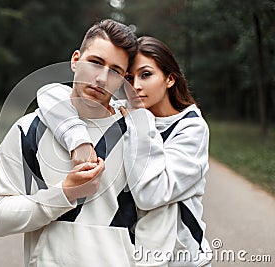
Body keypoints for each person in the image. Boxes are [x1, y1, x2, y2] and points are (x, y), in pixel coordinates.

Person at [36, 36, 212, 266]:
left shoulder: (190, 129)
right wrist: (79, 142)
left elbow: (150, 194)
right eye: (129, 77)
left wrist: (140, 119)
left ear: (169, 79)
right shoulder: (126, 113)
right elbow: (49, 93)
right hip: (134, 256)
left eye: (146, 75)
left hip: (183, 260)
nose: (136, 86)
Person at [0, 19, 142, 267]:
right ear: (75, 60)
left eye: (115, 71)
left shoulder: (137, 135)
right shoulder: (28, 130)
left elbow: (156, 220)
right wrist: (64, 193)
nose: (101, 78)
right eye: (95, 62)